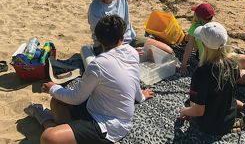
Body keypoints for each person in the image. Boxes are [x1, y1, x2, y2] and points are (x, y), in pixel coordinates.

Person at [25, 15, 153, 144]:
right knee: (57, 100)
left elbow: (76, 98)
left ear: (98, 40)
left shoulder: (98, 64)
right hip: (96, 108)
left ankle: (45, 119)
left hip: (110, 125)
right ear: (122, 38)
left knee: (48, 138)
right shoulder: (132, 52)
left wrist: (52, 87)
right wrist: (141, 96)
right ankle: (74, 136)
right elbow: (134, 80)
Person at [88, 0, 184, 55]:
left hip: (130, 39)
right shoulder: (96, 10)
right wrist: (129, 52)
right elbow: (104, 41)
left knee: (168, 51)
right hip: (107, 47)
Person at [179, 22, 241, 135]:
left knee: (191, 103)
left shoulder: (201, 73)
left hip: (209, 126)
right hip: (229, 120)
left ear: (203, 44)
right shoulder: (233, 63)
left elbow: (198, 111)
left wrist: (184, 111)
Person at [180, 3, 215, 75]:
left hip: (203, 60)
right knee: (192, 37)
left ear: (197, 17)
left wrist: (183, 65)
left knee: (191, 38)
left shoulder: (195, 27)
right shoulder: (215, 26)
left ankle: (187, 38)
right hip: (216, 58)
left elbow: (189, 47)